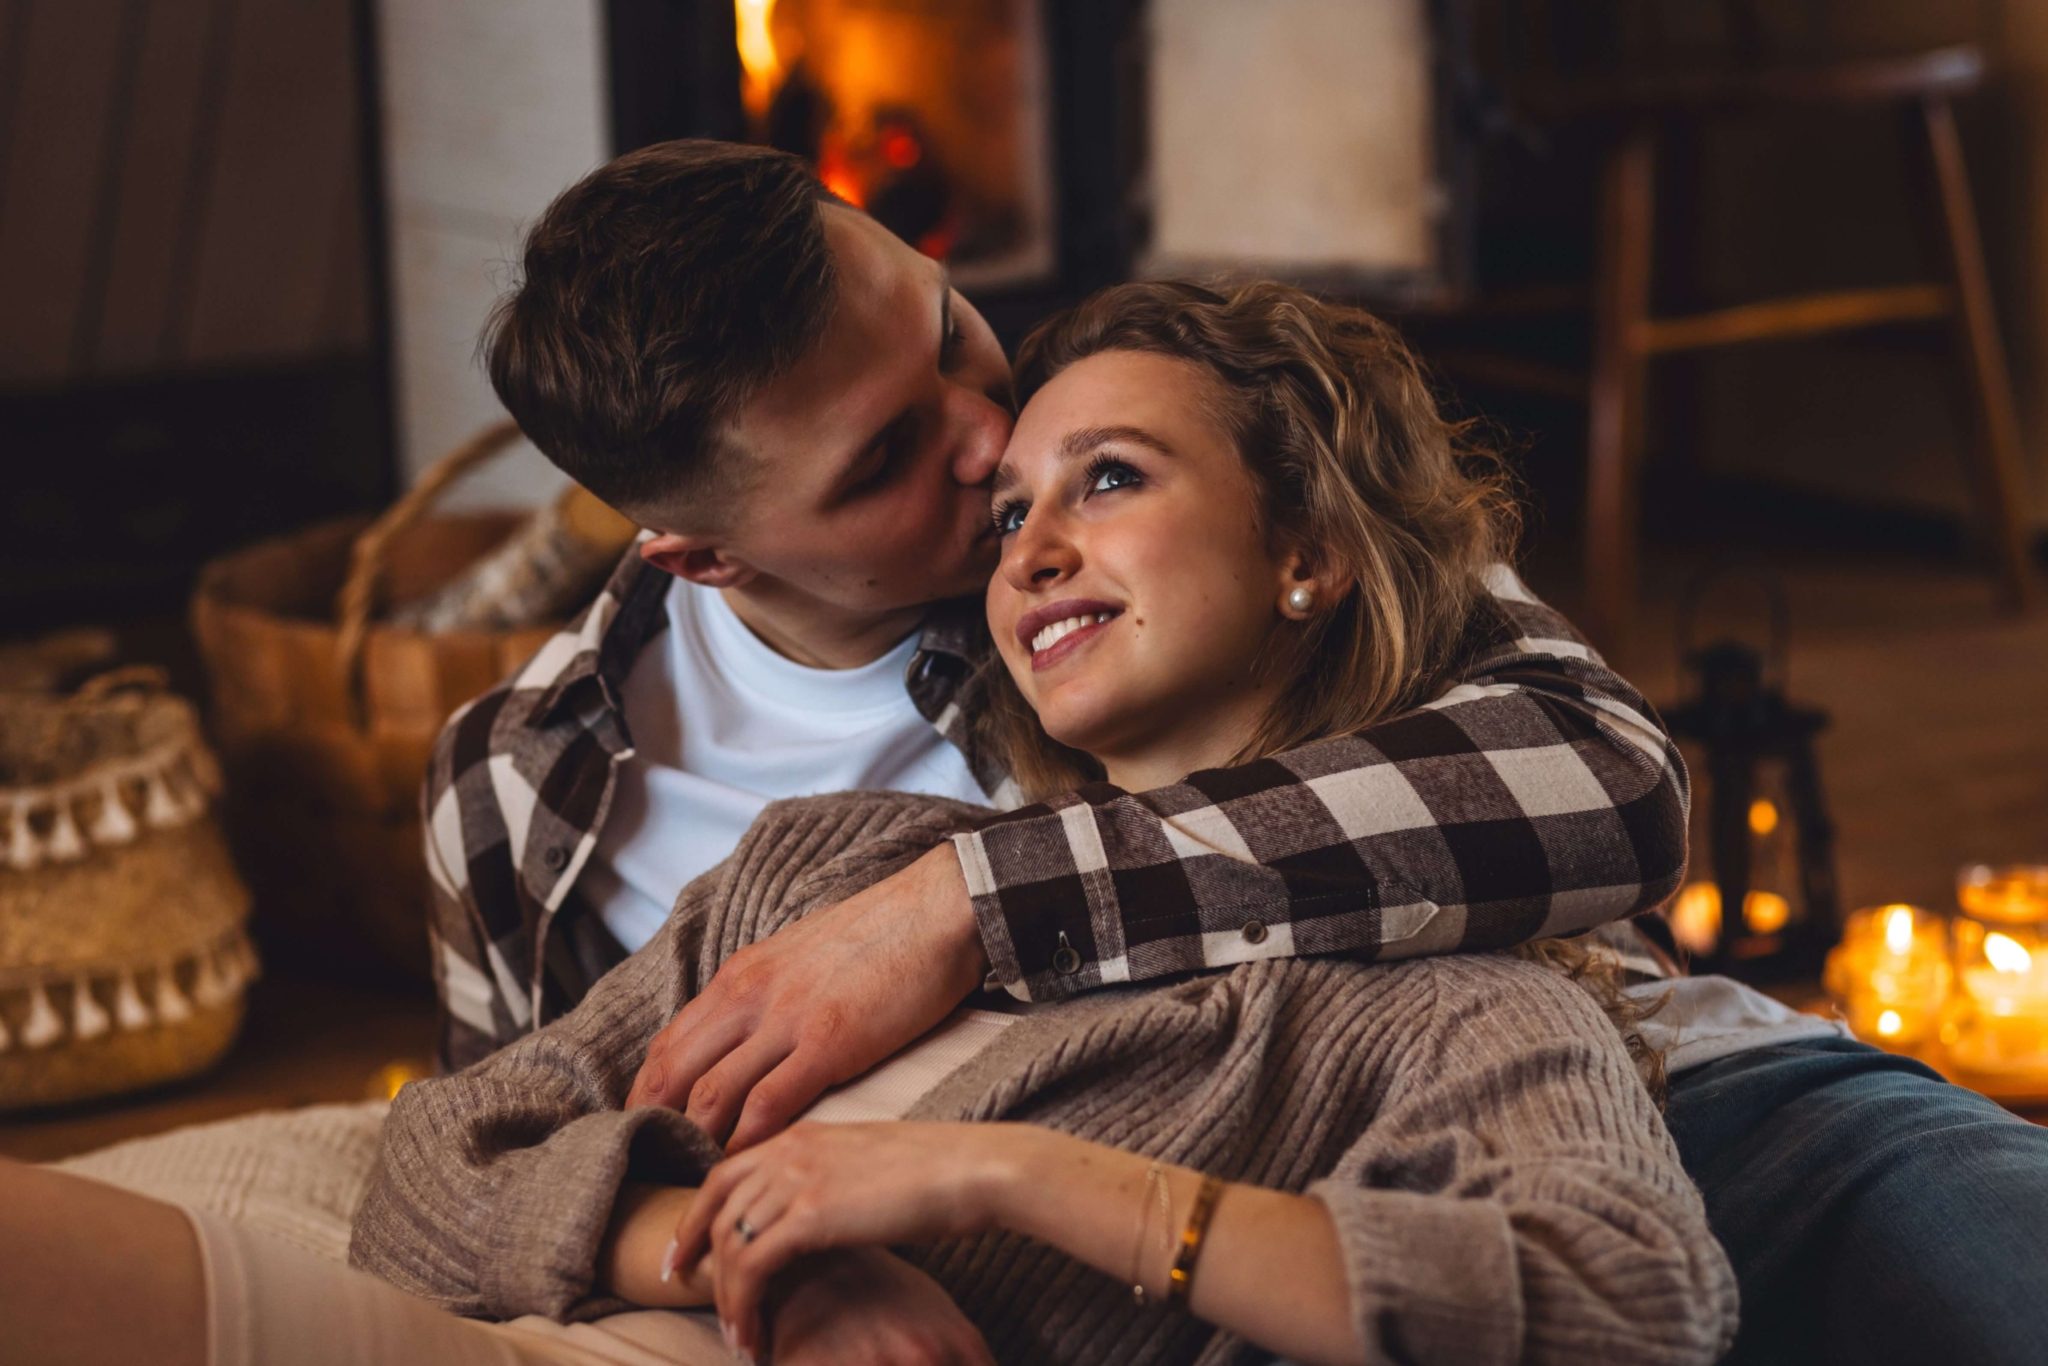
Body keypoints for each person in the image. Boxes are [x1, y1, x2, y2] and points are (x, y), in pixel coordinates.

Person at [435, 139, 2048, 1366]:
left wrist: (956, 909)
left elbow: (1603, 779)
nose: (995, 439)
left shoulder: (1167, 419)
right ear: (702, 554)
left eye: (944, 326)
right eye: (890, 461)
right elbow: (500, 1162)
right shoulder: (529, 801)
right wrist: (748, 1258)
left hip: (1648, 1105)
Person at [347, 276, 1735, 1366]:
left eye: (1111, 476)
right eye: (1010, 507)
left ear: (1308, 551)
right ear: (708, 560)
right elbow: (430, 1159)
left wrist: (995, 1169)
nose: (1004, 512)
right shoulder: (817, 860)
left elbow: (1631, 1297)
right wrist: (745, 1252)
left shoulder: (1437, 1006)